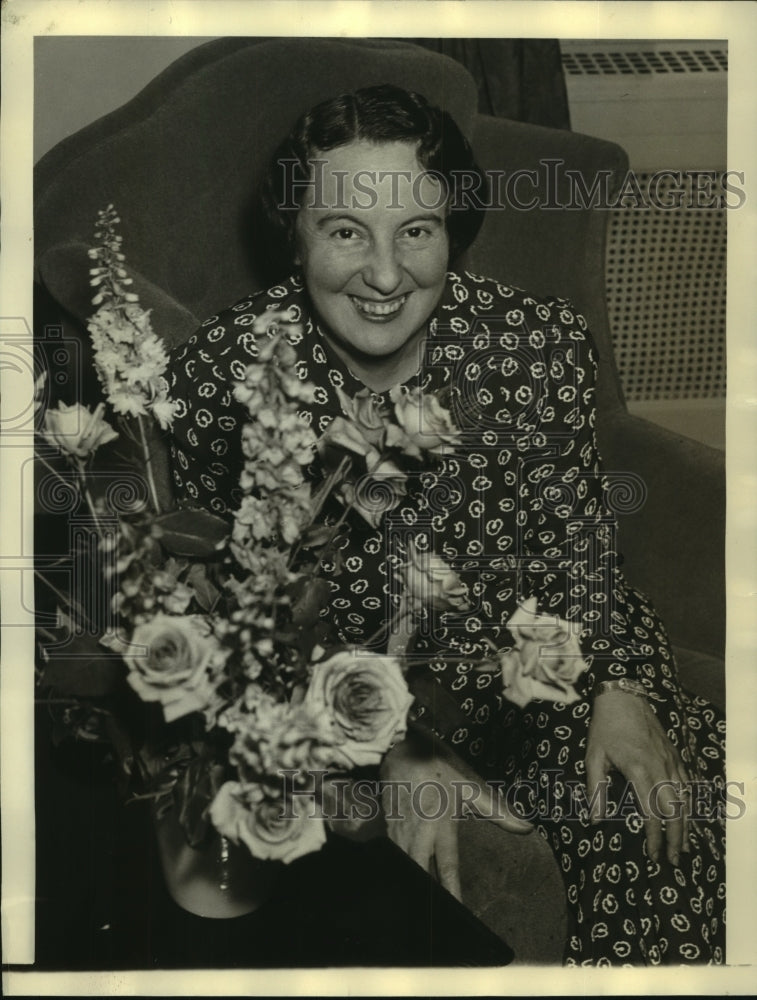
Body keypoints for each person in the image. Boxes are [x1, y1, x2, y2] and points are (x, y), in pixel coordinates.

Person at [167, 84, 725, 966]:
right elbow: (217, 602)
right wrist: (392, 746)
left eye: (415, 232)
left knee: (651, 825)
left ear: (452, 230)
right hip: (343, 699)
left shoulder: (537, 344)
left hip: (543, 661)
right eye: (345, 230)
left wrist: (621, 688)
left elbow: (577, 545)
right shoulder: (223, 374)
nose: (386, 276)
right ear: (294, 230)